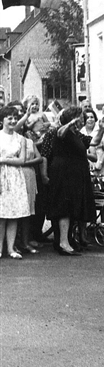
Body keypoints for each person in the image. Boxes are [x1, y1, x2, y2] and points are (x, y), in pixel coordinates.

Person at [48, 106, 104, 255]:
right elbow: (60, 133)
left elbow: (94, 142)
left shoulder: (77, 134)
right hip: (63, 172)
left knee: (72, 207)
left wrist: (101, 129)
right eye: (80, 117)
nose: (83, 120)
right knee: (64, 207)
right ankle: (63, 243)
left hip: (75, 173)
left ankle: (68, 241)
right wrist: (70, 123)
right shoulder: (61, 130)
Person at [0, 106, 30, 259]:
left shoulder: (20, 139)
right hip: (1, 177)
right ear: (2, 120)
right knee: (1, 215)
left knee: (13, 214)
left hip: (15, 177)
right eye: (9, 118)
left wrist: (3, 159)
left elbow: (22, 160)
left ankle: (11, 248)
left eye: (15, 118)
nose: (13, 121)